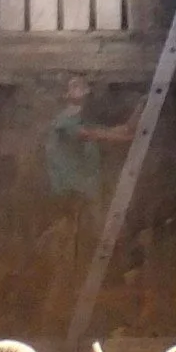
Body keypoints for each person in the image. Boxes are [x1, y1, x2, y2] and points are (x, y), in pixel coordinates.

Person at [43, 76, 141, 269]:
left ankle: (119, 264)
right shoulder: (63, 121)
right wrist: (124, 138)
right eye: (75, 86)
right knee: (74, 231)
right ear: (66, 94)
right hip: (70, 189)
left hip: (87, 186)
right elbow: (91, 134)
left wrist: (140, 109)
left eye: (83, 85)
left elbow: (122, 129)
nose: (81, 88)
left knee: (100, 227)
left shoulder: (83, 121)